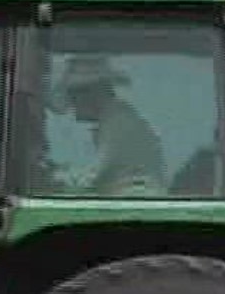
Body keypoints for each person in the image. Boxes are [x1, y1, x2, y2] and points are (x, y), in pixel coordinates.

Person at [53, 55, 166, 195]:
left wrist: (55, 181)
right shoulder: (116, 118)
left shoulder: (119, 121)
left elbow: (93, 176)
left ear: (93, 92)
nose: (72, 105)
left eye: (74, 96)